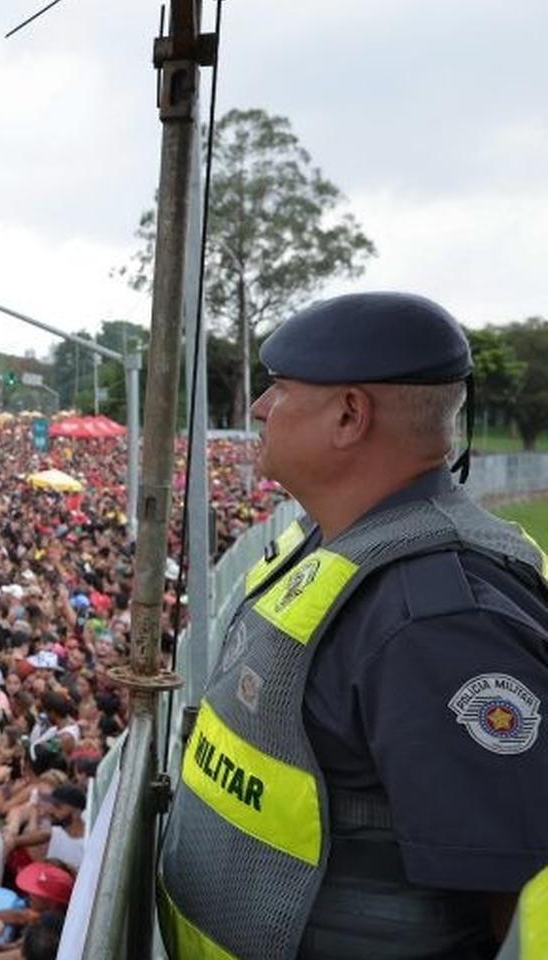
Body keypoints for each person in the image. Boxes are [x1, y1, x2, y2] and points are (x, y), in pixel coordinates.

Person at [158, 293, 548, 960]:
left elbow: (509, 897)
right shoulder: (338, 546)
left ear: (348, 415)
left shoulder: (435, 620)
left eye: (278, 389)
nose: (257, 410)